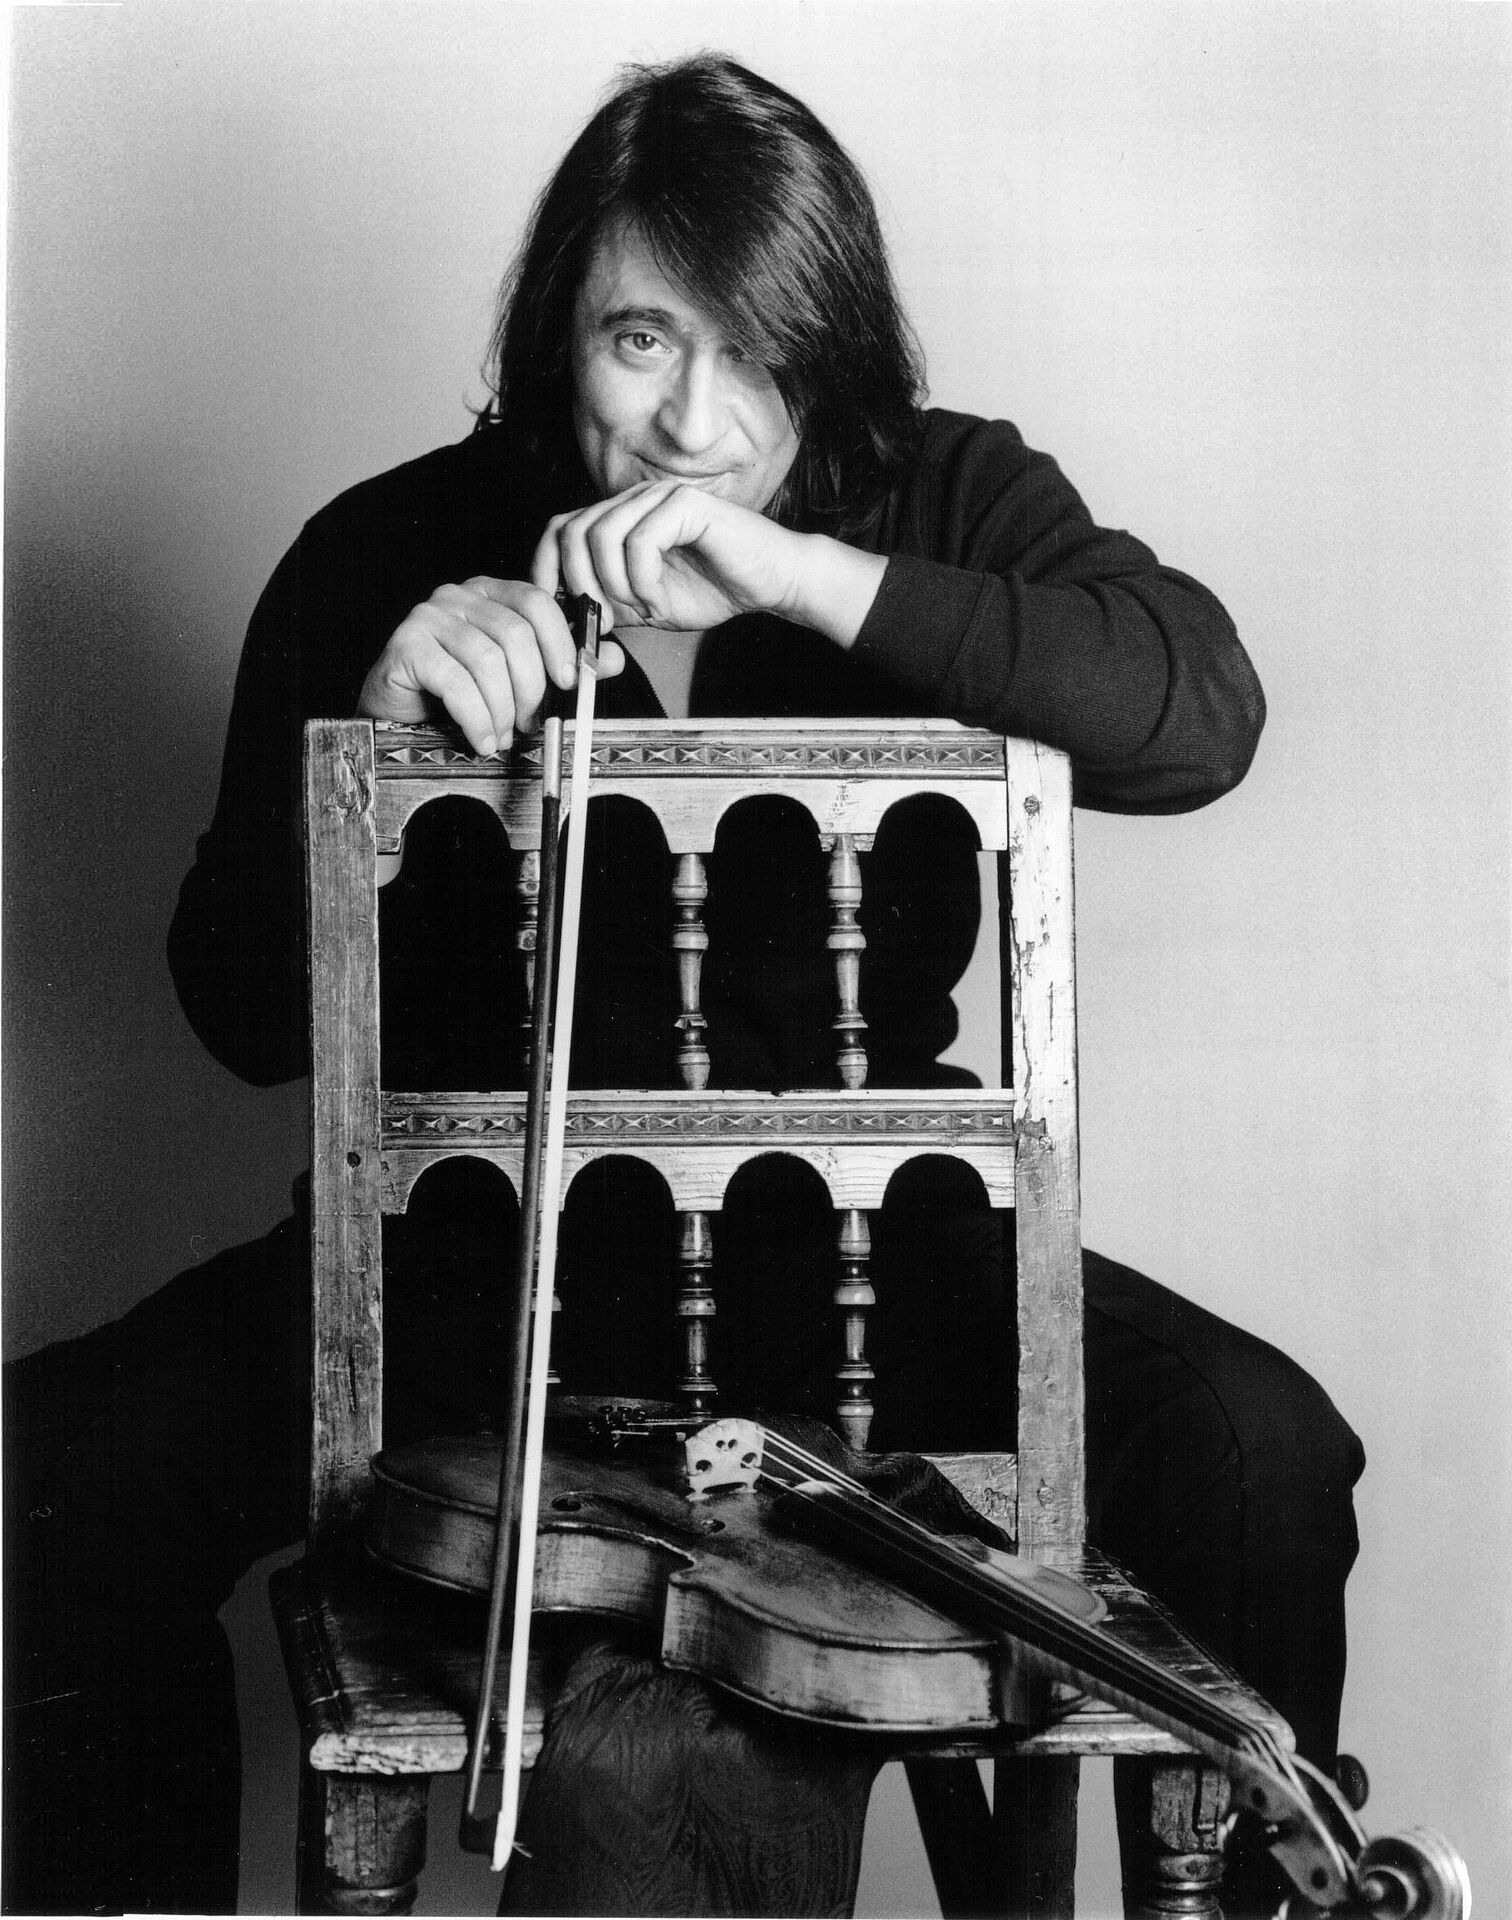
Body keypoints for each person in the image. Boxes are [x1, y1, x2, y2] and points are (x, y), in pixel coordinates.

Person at [4, 53, 1364, 1917]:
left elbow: (1199, 713)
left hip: (870, 1258)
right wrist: (372, 739)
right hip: (476, 1267)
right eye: (641, 342)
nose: (693, 426)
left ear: (835, 348)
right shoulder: (387, 546)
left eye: (760, 354)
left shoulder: (944, 491)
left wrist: (802, 574)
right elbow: (230, 1020)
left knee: (1256, 1447)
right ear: (560, 328)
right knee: (48, 1487)